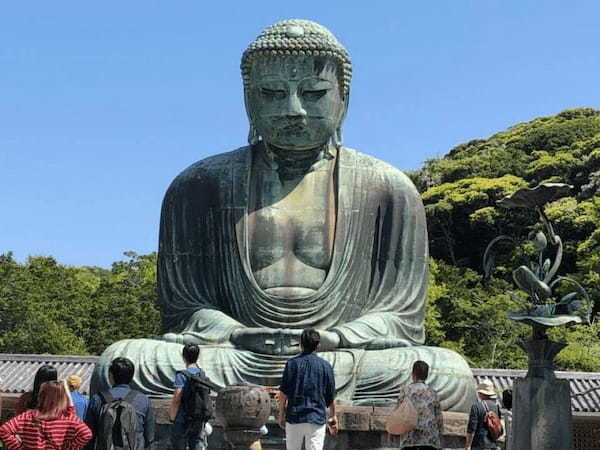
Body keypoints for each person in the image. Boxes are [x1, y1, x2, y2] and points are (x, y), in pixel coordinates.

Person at [94, 19, 475, 412]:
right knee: (124, 360)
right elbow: (183, 308)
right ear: (248, 99)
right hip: (234, 354)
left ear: (343, 97)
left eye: (313, 93)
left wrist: (337, 339)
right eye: (273, 93)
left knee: (450, 374)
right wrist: (237, 333)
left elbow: (401, 315)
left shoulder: (388, 188)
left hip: (344, 356)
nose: (293, 110)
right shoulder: (199, 185)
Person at [277, 328, 337, 450]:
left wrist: (281, 414)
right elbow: (330, 396)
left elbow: (283, 394)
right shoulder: (326, 366)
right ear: (318, 345)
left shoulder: (291, 364)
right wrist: (333, 416)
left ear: (301, 344)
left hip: (294, 417)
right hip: (316, 418)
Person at [85, 357, 155, 449]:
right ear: (131, 376)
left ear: (111, 376)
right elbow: (149, 437)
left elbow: (89, 436)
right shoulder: (143, 400)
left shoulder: (98, 399)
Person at [0, 379, 92, 449]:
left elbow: (4, 430)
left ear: (41, 396)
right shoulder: (68, 418)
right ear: (63, 398)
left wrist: (19, 448)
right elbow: (86, 434)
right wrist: (69, 447)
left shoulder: (28, 416)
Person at [169, 343, 211, 450]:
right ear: (198, 356)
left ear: (183, 357)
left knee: (179, 444)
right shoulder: (202, 374)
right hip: (198, 417)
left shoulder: (182, 375)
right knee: (196, 442)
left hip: (182, 417)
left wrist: (172, 416)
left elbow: (177, 399)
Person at [395, 361, 443, 450]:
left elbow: (398, 413)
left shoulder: (406, 391)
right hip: (430, 439)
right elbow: (439, 417)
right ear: (427, 375)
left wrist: (393, 431)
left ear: (413, 374)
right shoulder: (433, 392)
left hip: (409, 440)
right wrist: (440, 435)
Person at [465, 380, 502, 450]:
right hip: (493, 445)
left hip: (478, 445)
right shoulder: (496, 406)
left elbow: (472, 428)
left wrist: (468, 445)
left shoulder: (476, 406)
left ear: (481, 393)